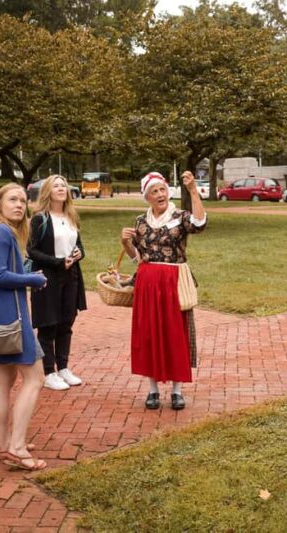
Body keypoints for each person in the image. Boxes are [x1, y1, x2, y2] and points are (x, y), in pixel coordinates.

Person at [0, 184, 48, 470]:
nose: (19, 205)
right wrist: (34, 279)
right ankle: (17, 448)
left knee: (4, 381)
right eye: (12, 200)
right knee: (35, 378)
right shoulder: (2, 232)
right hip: (11, 320)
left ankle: (6, 444)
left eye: (22, 200)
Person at [120, 171, 207, 410]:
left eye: (162, 189)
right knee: (149, 333)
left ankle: (177, 391)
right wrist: (125, 243)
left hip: (173, 280)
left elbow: (199, 223)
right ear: (146, 197)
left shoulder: (179, 216)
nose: (160, 194)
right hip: (148, 282)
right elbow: (136, 257)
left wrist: (192, 190)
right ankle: (153, 390)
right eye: (154, 191)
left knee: (174, 332)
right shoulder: (140, 221)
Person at [28, 175, 87, 391]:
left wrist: (79, 254)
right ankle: (48, 372)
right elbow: (31, 250)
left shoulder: (71, 216)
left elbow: (78, 244)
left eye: (63, 185)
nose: (61, 189)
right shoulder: (39, 219)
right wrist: (57, 262)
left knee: (66, 323)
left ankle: (63, 368)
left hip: (70, 276)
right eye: (56, 186)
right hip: (48, 277)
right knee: (48, 325)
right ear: (47, 191)